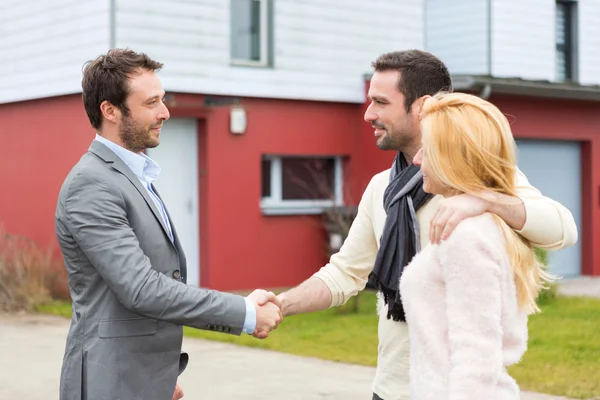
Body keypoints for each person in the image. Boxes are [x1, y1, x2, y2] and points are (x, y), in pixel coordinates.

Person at [276, 50, 578, 400]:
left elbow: (562, 229)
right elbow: (345, 273)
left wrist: (485, 199)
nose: (368, 114)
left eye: (380, 102)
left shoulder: (480, 187)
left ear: (420, 107)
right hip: (390, 389)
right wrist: (282, 305)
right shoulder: (382, 189)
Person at [55, 49, 282, 400]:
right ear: (110, 110)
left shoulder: (134, 174)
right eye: (151, 103)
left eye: (163, 100)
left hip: (140, 380)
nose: (165, 112)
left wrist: (156, 374)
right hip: (109, 385)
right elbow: (142, 289)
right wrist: (245, 313)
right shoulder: (91, 184)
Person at [401, 91, 552, 399]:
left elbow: (476, 352)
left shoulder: (466, 234)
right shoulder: (477, 223)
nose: (416, 160)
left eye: (426, 151)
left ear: (451, 158)